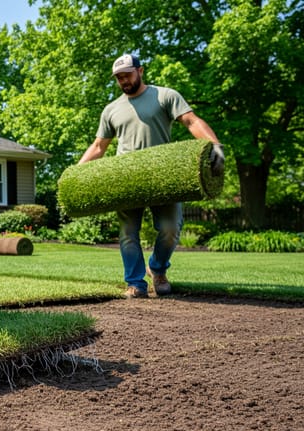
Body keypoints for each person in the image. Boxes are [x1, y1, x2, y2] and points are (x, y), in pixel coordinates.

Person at [78, 53, 224, 299]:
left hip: (163, 175)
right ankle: (135, 283)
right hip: (125, 178)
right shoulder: (111, 109)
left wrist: (215, 146)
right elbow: (98, 146)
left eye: (127, 75)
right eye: (119, 78)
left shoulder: (165, 95)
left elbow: (191, 121)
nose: (124, 81)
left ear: (140, 71)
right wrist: (76, 172)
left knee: (170, 229)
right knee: (127, 234)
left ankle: (157, 268)